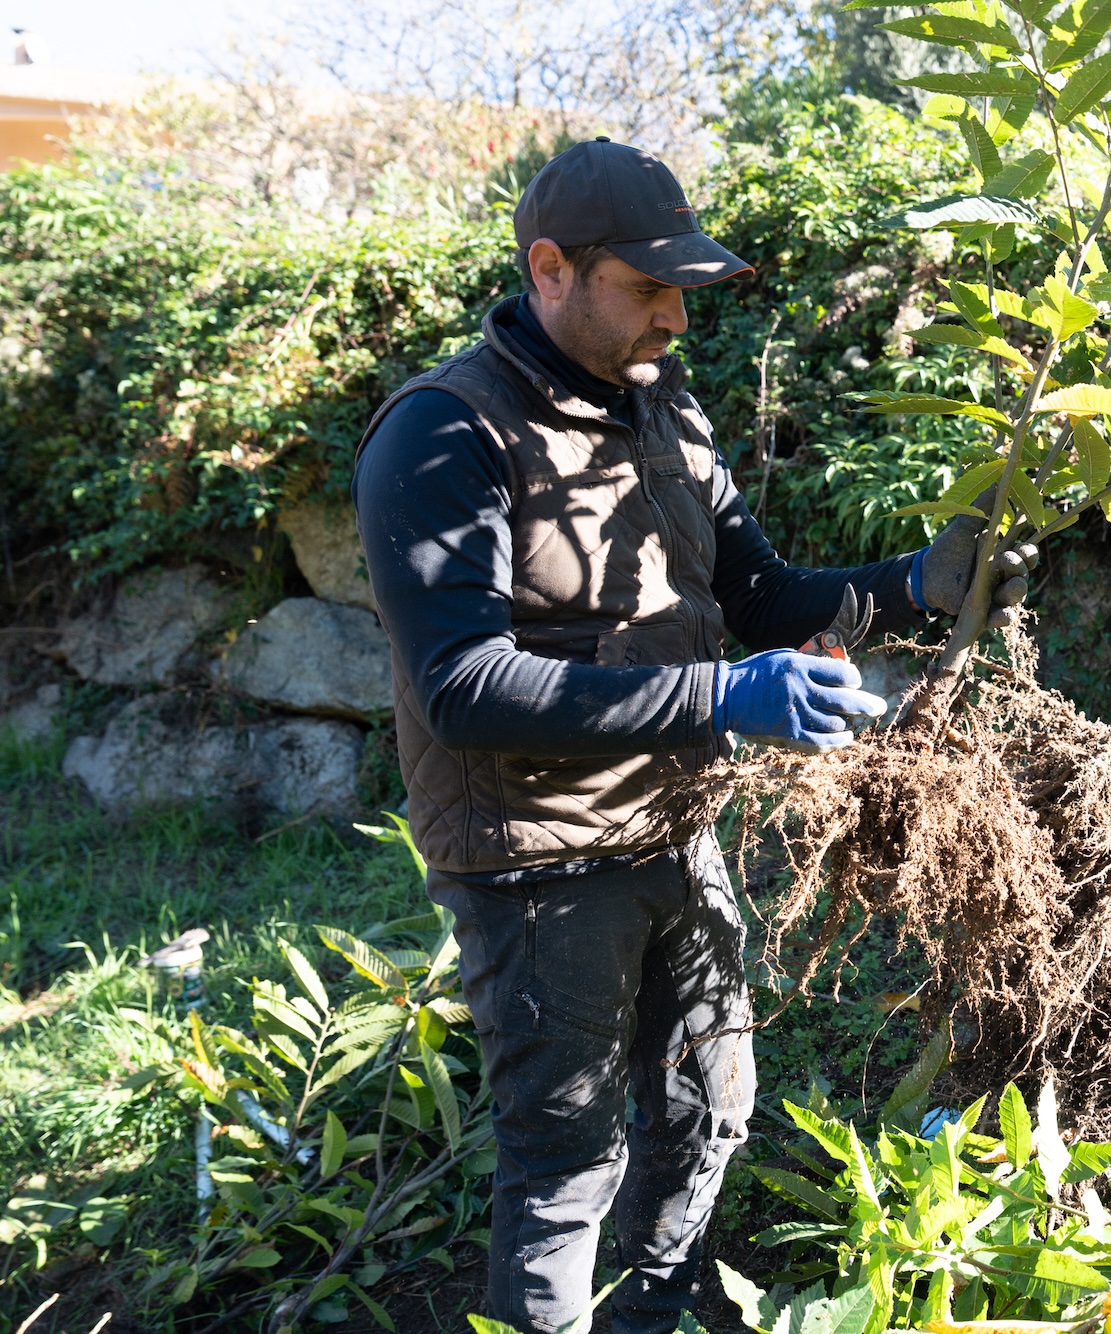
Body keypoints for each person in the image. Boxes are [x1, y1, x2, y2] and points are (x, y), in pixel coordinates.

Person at [351, 137, 1035, 1334]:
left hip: (674, 828)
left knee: (707, 1108)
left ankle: (653, 1317)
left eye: (686, 289)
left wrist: (916, 585)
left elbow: (758, 594)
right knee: (564, 1164)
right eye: (647, 287)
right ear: (549, 267)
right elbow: (463, 683)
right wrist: (718, 698)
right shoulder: (445, 433)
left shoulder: (666, 407)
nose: (676, 315)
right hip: (536, 860)